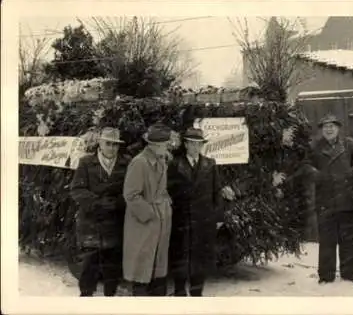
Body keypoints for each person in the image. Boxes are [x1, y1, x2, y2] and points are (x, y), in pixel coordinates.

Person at [167, 127, 236, 296]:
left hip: (203, 220)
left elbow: (216, 191)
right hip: (181, 219)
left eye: (199, 144)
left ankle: (197, 291)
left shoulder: (210, 164)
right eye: (192, 144)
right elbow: (169, 190)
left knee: (200, 256)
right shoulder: (175, 164)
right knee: (181, 255)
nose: (196, 147)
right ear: (186, 144)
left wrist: (218, 217)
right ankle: (179, 291)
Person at [70, 127, 130, 297]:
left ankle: (109, 299)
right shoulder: (86, 163)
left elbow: (132, 190)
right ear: (100, 143)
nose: (112, 148)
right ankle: (86, 298)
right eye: (108, 144)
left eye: (115, 145)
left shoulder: (126, 163)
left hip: (115, 223)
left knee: (112, 267)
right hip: (91, 224)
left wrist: (119, 202)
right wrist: (98, 203)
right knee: (89, 265)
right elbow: (77, 190)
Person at [306, 114, 353, 284]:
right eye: (325, 127)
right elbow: (304, 165)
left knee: (347, 239)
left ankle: (349, 274)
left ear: (338, 128)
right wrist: (316, 175)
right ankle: (326, 275)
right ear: (321, 130)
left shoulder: (348, 144)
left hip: (346, 199)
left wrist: (349, 174)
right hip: (325, 200)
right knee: (326, 240)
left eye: (332, 126)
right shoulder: (314, 146)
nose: (329, 129)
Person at [122, 123, 173, 296]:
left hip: (161, 219)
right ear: (155, 145)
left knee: (157, 265)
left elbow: (162, 189)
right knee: (141, 266)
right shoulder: (139, 163)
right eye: (165, 144)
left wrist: (167, 205)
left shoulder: (161, 160)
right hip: (144, 222)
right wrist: (150, 214)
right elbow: (130, 194)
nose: (167, 148)